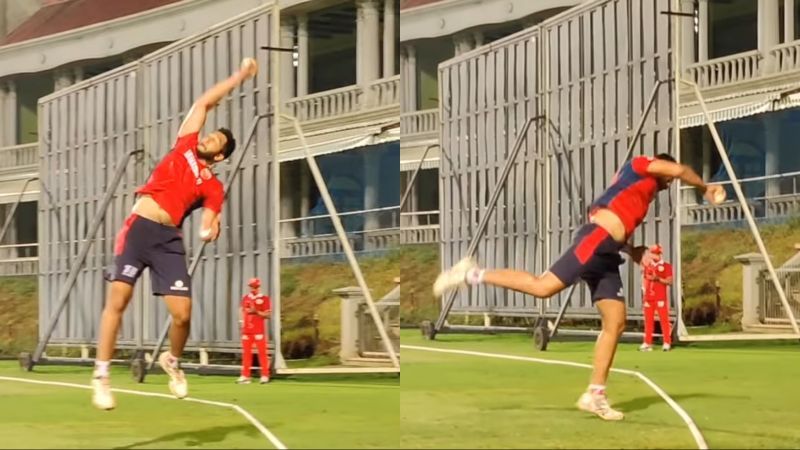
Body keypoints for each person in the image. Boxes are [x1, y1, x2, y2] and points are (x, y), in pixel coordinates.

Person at [433, 153, 723, 421]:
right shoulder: (640, 166)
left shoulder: (638, 195)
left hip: (607, 252)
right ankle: (471, 273)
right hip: (595, 240)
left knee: (616, 323)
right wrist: (703, 187)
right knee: (543, 287)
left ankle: (595, 394)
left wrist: (633, 251)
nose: (671, 182)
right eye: (669, 179)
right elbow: (680, 168)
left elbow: (617, 226)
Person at [91, 58, 259, 410]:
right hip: (139, 230)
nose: (208, 138)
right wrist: (239, 76)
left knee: (183, 314)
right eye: (210, 133)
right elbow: (204, 103)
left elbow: (207, 221)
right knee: (118, 301)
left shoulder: (212, 186)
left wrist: (209, 228)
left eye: (215, 141)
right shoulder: (184, 143)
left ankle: (173, 360)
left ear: (220, 156)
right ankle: (102, 376)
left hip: (168, 242)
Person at [639, 244, 674, 352]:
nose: (654, 255)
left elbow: (669, 281)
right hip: (648, 297)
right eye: (653, 253)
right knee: (648, 321)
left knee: (664, 320)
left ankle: (667, 342)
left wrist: (658, 278)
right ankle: (647, 342)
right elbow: (645, 280)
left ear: (660, 254)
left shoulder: (666, 266)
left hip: (660, 297)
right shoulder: (648, 266)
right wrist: (644, 293)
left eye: (656, 253)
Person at [237, 277, 272, 384]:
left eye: (255, 286)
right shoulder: (246, 298)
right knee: (246, 354)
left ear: (259, 286)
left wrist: (256, 312)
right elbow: (242, 311)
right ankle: (245, 375)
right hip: (247, 330)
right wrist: (241, 324)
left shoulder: (264, 298)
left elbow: (268, 315)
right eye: (251, 286)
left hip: (258, 330)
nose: (253, 288)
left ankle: (265, 375)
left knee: (262, 353)